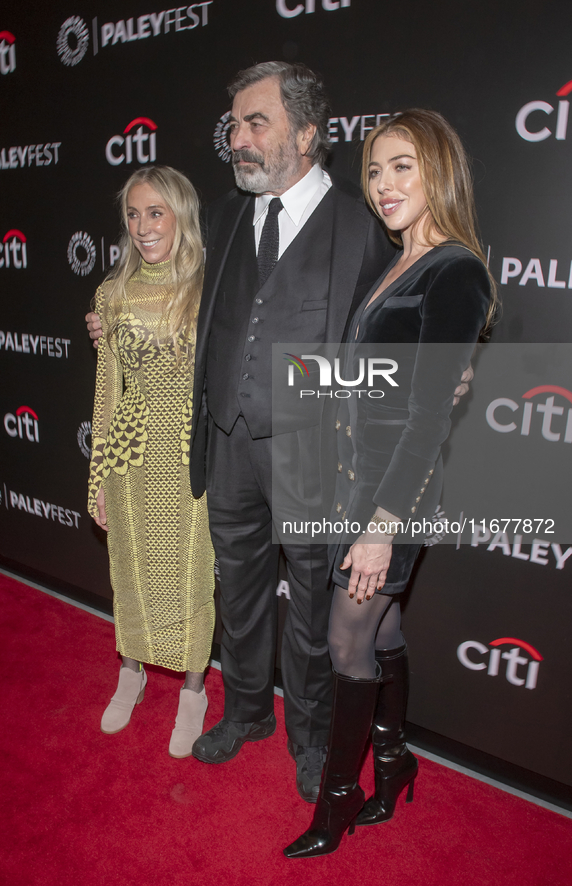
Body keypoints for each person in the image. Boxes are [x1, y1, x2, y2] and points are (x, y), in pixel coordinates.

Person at [85, 65, 471, 801]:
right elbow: (171, 298)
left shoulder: (362, 230)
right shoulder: (229, 216)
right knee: (240, 593)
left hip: (310, 452)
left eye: (254, 122)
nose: (237, 138)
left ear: (304, 132)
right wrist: (114, 321)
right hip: (225, 443)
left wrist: (440, 375)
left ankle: (310, 734)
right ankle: (249, 713)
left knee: (310, 611)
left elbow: (396, 339)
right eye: (233, 124)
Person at [284, 109, 496, 858]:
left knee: (347, 643)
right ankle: (393, 760)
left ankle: (336, 803)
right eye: (373, 169)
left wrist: (380, 526)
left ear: (437, 170)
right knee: (386, 630)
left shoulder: (456, 269)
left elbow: (426, 419)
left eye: (401, 166)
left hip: (391, 496)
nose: (382, 184)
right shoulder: (398, 261)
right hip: (356, 481)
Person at [87, 165, 215, 758]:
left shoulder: (209, 286)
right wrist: (98, 481)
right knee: (131, 570)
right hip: (129, 452)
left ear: (180, 215)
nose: (143, 226)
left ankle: (194, 690)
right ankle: (131, 671)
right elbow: (106, 387)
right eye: (133, 215)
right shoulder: (111, 294)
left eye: (155, 212)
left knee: (190, 577)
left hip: (191, 455)